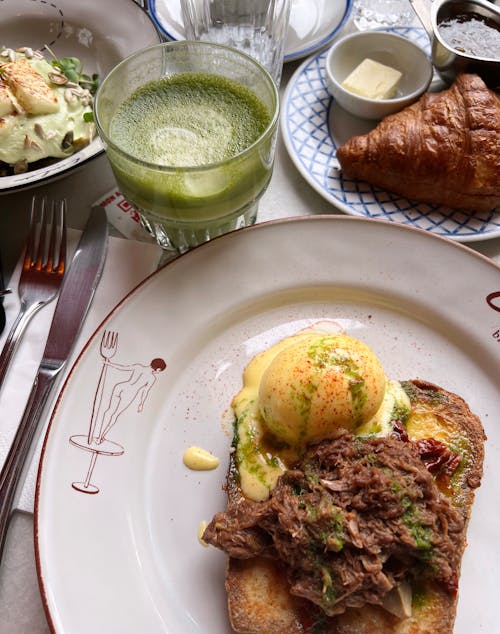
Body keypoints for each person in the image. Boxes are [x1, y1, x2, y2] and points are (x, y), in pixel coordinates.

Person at [96, 357, 166, 444]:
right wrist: (141, 404)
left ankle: (98, 434)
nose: (158, 372)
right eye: (160, 370)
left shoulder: (138, 367)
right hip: (129, 393)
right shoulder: (151, 378)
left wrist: (108, 363)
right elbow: (145, 391)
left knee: (108, 411)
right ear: (158, 368)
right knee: (115, 415)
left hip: (120, 387)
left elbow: (123, 367)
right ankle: (100, 438)